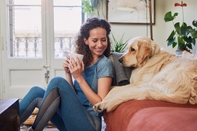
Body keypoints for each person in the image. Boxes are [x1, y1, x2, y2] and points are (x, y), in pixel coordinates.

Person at [19, 17, 114, 131]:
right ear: (85, 40)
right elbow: (74, 97)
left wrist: (79, 78)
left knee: (57, 81)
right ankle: (5, 124)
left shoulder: (104, 64)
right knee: (36, 92)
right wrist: (68, 74)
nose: (100, 45)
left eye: (103, 40)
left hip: (90, 124)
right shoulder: (83, 60)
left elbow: (100, 104)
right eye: (95, 40)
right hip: (72, 119)